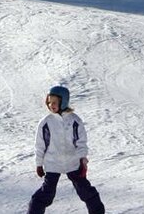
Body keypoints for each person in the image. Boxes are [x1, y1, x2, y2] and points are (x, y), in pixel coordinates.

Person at [27, 86, 105, 214]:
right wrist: (39, 164)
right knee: (45, 194)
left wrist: (82, 160)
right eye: (49, 102)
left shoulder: (74, 120)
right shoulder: (46, 122)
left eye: (54, 102)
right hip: (53, 163)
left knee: (86, 191)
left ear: (63, 102)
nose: (51, 105)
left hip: (72, 162)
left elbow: (81, 142)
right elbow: (40, 145)